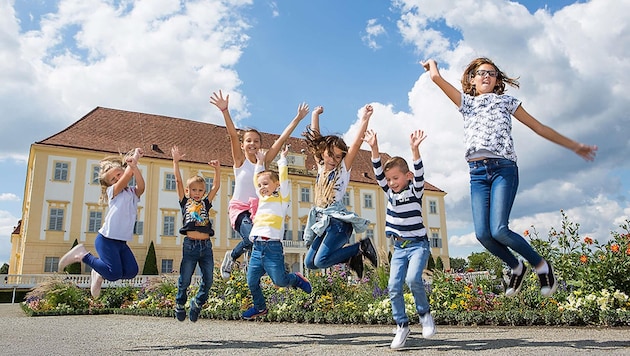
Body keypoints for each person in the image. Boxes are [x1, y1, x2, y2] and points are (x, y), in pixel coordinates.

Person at [422, 58, 598, 297]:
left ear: (497, 81)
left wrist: (574, 146)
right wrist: (432, 64)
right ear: (472, 79)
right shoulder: (467, 103)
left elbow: (539, 127)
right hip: (477, 174)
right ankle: (516, 266)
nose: (487, 76)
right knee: (483, 234)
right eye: (481, 73)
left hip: (503, 168)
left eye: (492, 74)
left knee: (500, 230)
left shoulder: (507, 101)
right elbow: (436, 78)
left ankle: (541, 265)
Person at [210, 90, 309, 280]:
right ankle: (232, 256)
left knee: (257, 241)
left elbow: (280, 140)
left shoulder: (263, 162)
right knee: (250, 238)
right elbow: (232, 135)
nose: (252, 144)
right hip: (239, 209)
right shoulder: (240, 160)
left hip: (258, 210)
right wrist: (225, 111)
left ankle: (251, 265)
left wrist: (297, 119)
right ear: (242, 145)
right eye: (248, 141)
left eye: (256, 141)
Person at [363, 128, 435, 349]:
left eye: (396, 178)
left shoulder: (415, 191)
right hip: (399, 248)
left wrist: (415, 150)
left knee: (413, 279)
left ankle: (424, 315)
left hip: (418, 246)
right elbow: (377, 171)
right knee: (394, 286)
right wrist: (374, 148)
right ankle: (402, 325)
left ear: (407, 176)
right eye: (390, 179)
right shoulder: (389, 192)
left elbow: (420, 173)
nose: (392, 182)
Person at [58, 148, 145, 298]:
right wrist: (135, 159)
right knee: (113, 274)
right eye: (113, 178)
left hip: (121, 242)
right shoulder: (113, 191)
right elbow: (127, 175)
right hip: (106, 240)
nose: (117, 179)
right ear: (110, 184)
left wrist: (134, 166)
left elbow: (141, 187)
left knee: (131, 271)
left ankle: (99, 272)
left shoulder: (131, 192)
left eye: (118, 174)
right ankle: (82, 255)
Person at [302, 105, 376, 279]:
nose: (334, 160)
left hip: (339, 224)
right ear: (323, 152)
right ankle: (352, 257)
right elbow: (315, 139)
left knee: (320, 261)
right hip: (324, 223)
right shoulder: (321, 166)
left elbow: (357, 143)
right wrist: (314, 115)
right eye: (331, 155)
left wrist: (365, 118)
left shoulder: (343, 169)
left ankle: (360, 247)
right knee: (309, 263)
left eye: (338, 157)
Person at [242, 147, 312, 320]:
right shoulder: (262, 198)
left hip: (273, 247)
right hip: (257, 248)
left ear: (277, 184)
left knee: (279, 281)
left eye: (266, 184)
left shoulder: (282, 199)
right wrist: (259, 162)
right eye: (260, 185)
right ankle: (260, 307)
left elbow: (285, 180)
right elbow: (255, 180)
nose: (262, 187)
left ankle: (296, 279)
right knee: (251, 281)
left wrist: (282, 159)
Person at [171, 146, 220, 322]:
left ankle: (197, 303)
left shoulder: (206, 203)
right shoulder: (185, 203)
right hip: (190, 245)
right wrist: (176, 162)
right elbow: (177, 181)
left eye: (200, 190)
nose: (197, 193)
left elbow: (216, 186)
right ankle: (179, 303)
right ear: (187, 191)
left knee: (208, 280)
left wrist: (217, 169)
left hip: (206, 247)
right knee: (185, 279)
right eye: (194, 190)